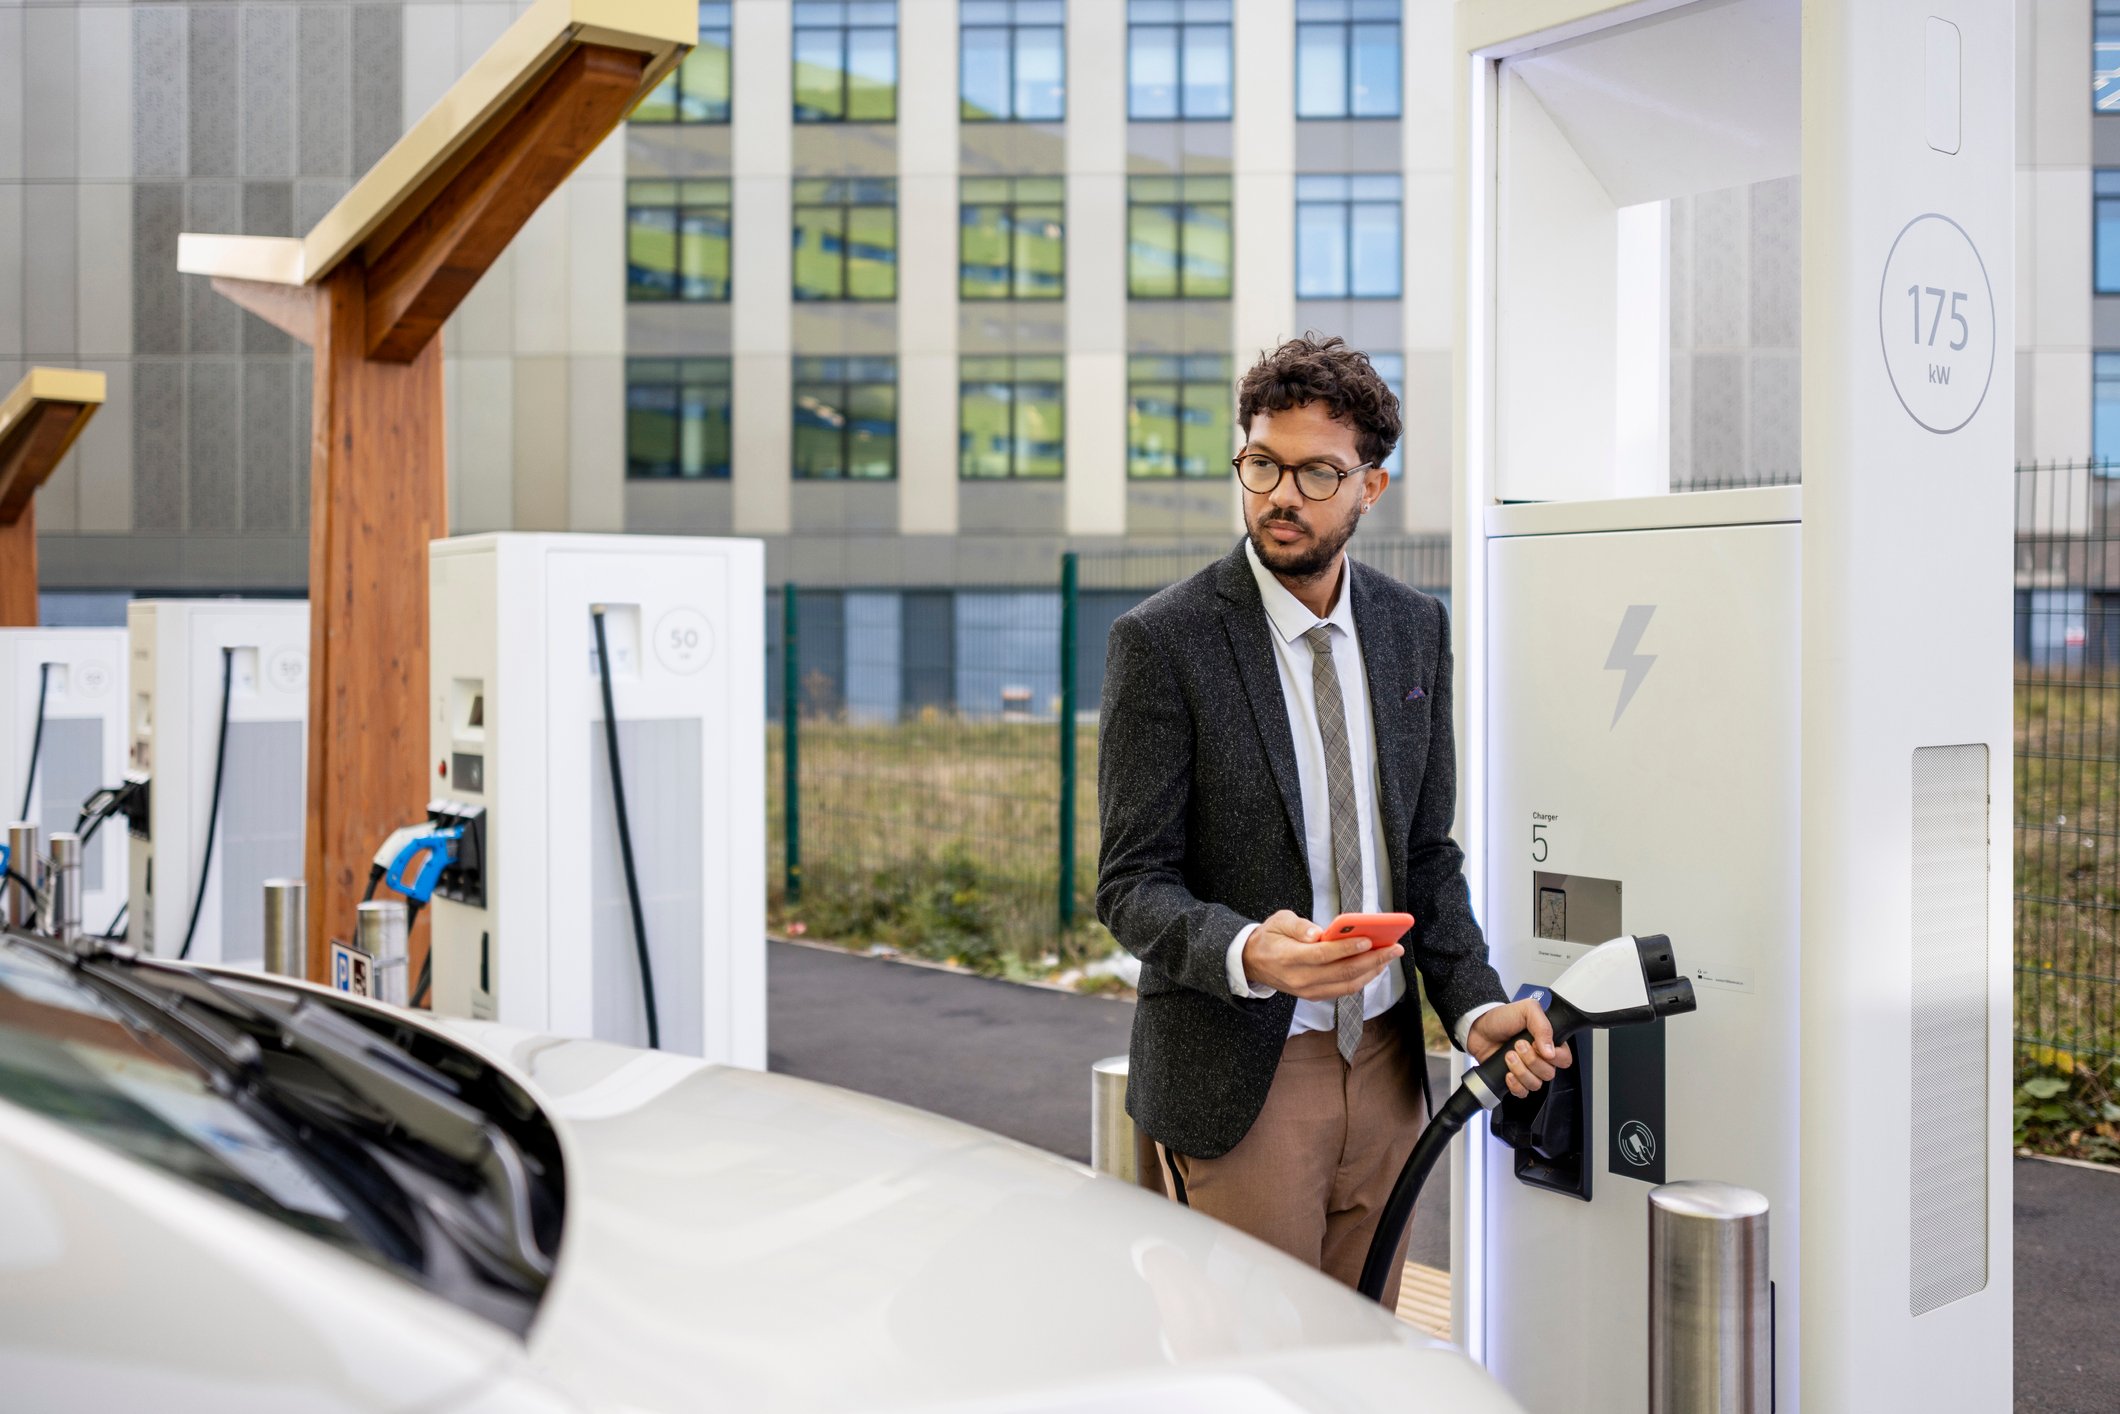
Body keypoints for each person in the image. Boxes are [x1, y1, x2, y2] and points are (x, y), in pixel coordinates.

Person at [1095, 335, 1569, 1305]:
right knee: (1253, 1370)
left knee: (1362, 1365)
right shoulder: (1161, 642)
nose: (1280, 495)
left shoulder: (1413, 627)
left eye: (1317, 472)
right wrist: (1248, 952)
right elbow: (1129, 884)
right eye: (1261, 463)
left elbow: (1426, 858)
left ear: (1371, 486)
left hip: (1389, 1067)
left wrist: (1475, 1009)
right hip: (1244, 1076)